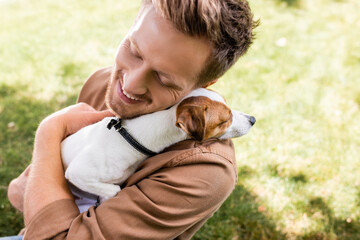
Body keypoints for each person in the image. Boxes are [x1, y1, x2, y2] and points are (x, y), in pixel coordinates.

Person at [6, 0, 258, 239]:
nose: (130, 85)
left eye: (164, 79)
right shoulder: (103, 84)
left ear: (202, 85)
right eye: (134, 51)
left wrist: (50, 131)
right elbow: (21, 194)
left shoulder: (204, 174)